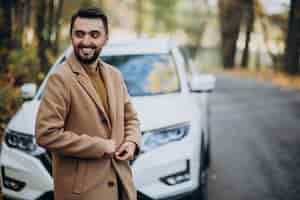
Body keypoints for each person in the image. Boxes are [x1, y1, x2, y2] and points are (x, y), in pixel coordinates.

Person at [35, 7, 141, 200]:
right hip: (82, 193)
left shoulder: (114, 75)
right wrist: (100, 146)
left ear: (105, 38)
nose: (86, 42)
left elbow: (130, 118)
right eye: (79, 34)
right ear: (71, 37)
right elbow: (46, 134)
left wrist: (132, 142)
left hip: (120, 186)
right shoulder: (60, 78)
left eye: (94, 34)